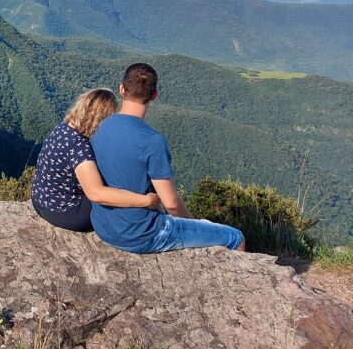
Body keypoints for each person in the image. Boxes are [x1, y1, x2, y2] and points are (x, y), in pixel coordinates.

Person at [90, 63, 246, 253]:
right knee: (235, 237)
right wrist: (193, 223)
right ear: (154, 95)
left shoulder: (100, 125)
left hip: (104, 228)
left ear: (122, 89)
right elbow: (170, 203)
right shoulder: (152, 140)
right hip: (141, 235)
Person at [32, 88, 161, 232]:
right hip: (68, 214)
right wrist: (146, 201)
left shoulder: (63, 127)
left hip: (40, 202)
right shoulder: (79, 147)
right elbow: (96, 194)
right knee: (124, 175)